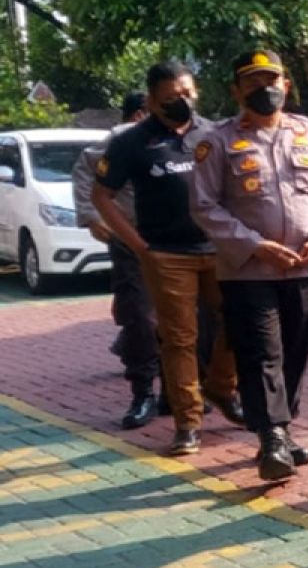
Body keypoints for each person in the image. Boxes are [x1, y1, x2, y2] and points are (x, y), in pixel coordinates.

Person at [190, 50, 308, 480]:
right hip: (248, 271)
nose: (265, 89)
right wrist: (255, 246)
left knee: (298, 348)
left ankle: (284, 426)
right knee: (262, 353)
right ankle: (272, 438)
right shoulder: (217, 142)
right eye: (254, 82)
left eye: (272, 79)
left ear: (286, 84)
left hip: (303, 267)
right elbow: (204, 206)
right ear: (237, 90)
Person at [92, 63, 243, 456]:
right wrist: (138, 246)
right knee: (179, 339)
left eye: (189, 93)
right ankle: (188, 423)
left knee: (238, 321)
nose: (183, 101)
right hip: (167, 255)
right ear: (151, 99)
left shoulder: (213, 133)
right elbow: (101, 197)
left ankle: (222, 387)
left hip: (219, 250)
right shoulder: (131, 142)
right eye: (173, 96)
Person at [73, 91, 162, 429]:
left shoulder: (192, 134)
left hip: (180, 241)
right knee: (139, 315)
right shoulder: (121, 138)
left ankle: (177, 391)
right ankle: (143, 394)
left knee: (184, 319)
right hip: (130, 238)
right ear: (145, 110)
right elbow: (85, 170)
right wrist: (91, 217)